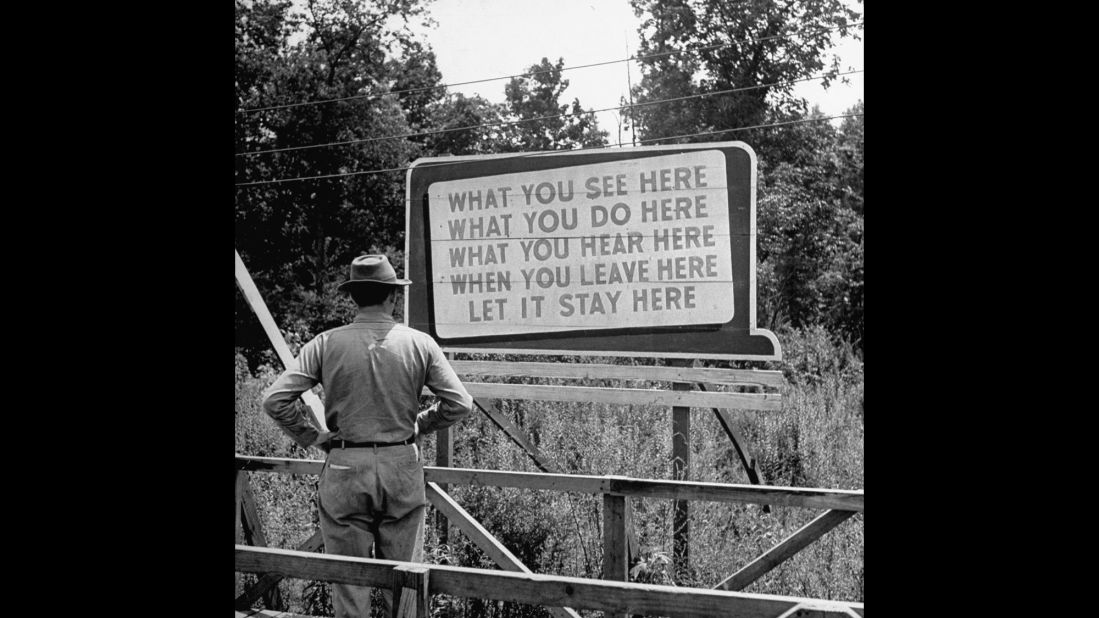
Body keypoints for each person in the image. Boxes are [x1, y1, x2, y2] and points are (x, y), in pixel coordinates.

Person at [262, 254, 473, 618]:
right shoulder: (419, 343)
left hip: (345, 465)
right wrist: (420, 424)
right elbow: (459, 404)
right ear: (392, 296)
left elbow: (275, 400)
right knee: (405, 581)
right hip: (400, 465)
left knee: (349, 584)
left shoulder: (326, 343)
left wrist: (314, 436)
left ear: (353, 297)